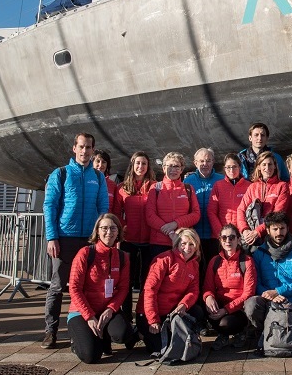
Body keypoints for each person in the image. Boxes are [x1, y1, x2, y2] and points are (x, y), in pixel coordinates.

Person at [42, 132, 109, 349]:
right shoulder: (61, 174)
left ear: (92, 150)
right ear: (74, 148)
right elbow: (49, 206)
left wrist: (101, 238)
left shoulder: (98, 177)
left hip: (89, 240)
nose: (85, 151)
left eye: (88, 147)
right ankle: (50, 331)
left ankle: (80, 332)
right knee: (57, 286)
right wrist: (52, 237)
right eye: (81, 146)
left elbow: (103, 208)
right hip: (65, 238)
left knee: (87, 287)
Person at [243, 212, 292, 354]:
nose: (279, 233)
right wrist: (270, 295)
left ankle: (290, 332)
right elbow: (255, 282)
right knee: (251, 304)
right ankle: (262, 330)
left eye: (282, 228)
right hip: (267, 303)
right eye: (275, 229)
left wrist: (279, 291)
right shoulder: (259, 253)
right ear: (268, 230)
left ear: (288, 228)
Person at [67, 213, 136, 363]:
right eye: (104, 228)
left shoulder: (123, 257)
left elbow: (123, 288)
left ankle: (102, 337)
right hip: (82, 311)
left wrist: (111, 309)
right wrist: (89, 316)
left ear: (118, 232)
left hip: (106, 309)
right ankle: (77, 340)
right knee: (91, 356)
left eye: (113, 228)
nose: (109, 232)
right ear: (97, 231)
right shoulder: (85, 253)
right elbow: (74, 288)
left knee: (123, 334)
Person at [135, 228, 204, 353]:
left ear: (196, 247)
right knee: (161, 348)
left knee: (197, 312)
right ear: (177, 244)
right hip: (149, 312)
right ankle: (139, 333)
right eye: (183, 243)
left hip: (172, 311)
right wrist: (153, 320)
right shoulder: (164, 259)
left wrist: (184, 304)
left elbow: (193, 290)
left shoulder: (194, 265)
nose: (187, 248)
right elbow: (150, 290)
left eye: (191, 244)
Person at [113, 151, 156, 319]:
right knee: (127, 280)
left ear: (148, 166)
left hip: (149, 240)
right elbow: (116, 213)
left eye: (144, 163)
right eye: (138, 163)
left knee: (147, 280)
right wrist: (123, 226)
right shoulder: (122, 188)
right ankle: (126, 316)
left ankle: (143, 314)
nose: (140, 166)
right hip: (128, 240)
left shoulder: (154, 187)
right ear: (132, 165)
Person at [202, 224, 256, 350]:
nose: (228, 241)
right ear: (220, 240)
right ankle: (223, 335)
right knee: (203, 306)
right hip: (220, 304)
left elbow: (249, 293)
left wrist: (226, 310)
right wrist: (208, 297)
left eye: (232, 237)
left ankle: (240, 332)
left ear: (238, 239)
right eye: (224, 237)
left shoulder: (246, 261)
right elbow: (207, 287)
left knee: (226, 323)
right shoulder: (214, 261)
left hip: (239, 308)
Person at [145, 152, 200, 262]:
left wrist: (176, 224)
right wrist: (170, 232)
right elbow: (150, 216)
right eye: (169, 166)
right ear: (163, 168)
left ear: (182, 169)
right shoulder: (155, 188)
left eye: (176, 166)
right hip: (159, 243)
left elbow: (196, 214)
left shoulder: (188, 189)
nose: (173, 170)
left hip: (183, 243)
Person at [236, 151, 289, 250]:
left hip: (272, 236)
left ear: (275, 166)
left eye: (270, 164)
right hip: (251, 236)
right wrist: (244, 230)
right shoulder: (252, 187)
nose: (267, 167)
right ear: (259, 167)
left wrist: (258, 231)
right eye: (264, 164)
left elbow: (277, 214)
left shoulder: (282, 186)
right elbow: (241, 210)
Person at [184, 148, 225, 266]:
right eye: (201, 161)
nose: (205, 164)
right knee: (196, 266)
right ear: (195, 163)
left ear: (213, 162)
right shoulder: (188, 181)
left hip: (215, 233)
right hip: (194, 233)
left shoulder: (221, 180)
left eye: (208, 161)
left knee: (214, 265)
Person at [207, 154, 251, 240]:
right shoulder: (218, 185)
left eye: (234, 167)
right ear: (224, 168)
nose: (231, 170)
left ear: (239, 167)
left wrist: (244, 231)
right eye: (228, 167)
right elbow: (211, 211)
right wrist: (221, 233)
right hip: (221, 235)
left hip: (241, 235)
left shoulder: (249, 186)